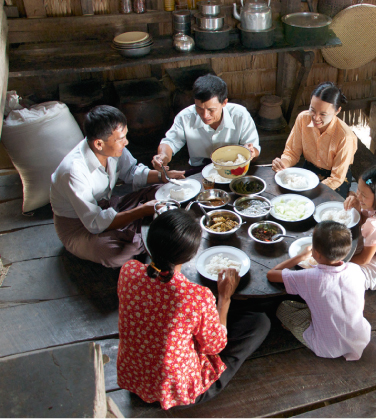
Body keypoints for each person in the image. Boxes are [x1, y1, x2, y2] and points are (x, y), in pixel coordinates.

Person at [117, 209, 270, 410]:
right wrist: (224, 298)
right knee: (260, 323)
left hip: (133, 376)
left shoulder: (128, 270)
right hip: (176, 392)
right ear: (191, 254)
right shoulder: (195, 296)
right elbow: (215, 346)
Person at [50, 105, 185, 268]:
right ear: (99, 144)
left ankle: (138, 231)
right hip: (79, 226)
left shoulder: (110, 149)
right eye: (121, 139)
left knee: (162, 189)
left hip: (108, 206)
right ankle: (141, 230)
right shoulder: (73, 171)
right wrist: (141, 211)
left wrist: (162, 176)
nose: (126, 142)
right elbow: (94, 223)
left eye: (125, 136)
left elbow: (132, 171)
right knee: (115, 254)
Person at [267, 221, 371, 361]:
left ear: (315, 253)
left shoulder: (310, 277)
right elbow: (361, 304)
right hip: (360, 337)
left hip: (326, 347)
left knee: (283, 308)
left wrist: (301, 257)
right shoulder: (356, 269)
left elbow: (271, 274)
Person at [152, 74, 260, 175]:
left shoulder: (240, 115)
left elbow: (254, 150)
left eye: (211, 110)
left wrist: (251, 152)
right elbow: (170, 142)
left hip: (233, 168)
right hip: (199, 170)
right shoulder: (185, 117)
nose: (205, 115)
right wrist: (163, 156)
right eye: (199, 108)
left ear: (224, 103)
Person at [272, 82, 357, 197]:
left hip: (336, 177)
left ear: (337, 111)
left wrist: (312, 190)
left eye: (323, 114)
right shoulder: (303, 119)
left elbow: (337, 178)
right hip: (310, 169)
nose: (316, 118)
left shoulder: (345, 137)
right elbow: (292, 152)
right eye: (312, 110)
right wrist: (283, 163)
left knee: (318, 202)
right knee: (291, 197)